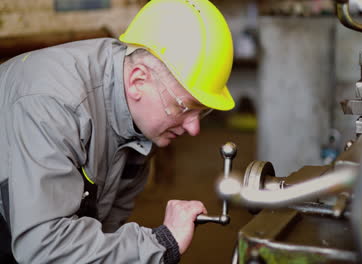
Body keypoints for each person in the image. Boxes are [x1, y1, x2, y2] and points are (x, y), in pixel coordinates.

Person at [0, 0, 235, 263]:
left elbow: (107, 224)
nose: (194, 128)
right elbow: (43, 246)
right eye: (184, 108)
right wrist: (161, 243)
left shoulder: (141, 114)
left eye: (202, 111)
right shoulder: (53, 105)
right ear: (138, 81)